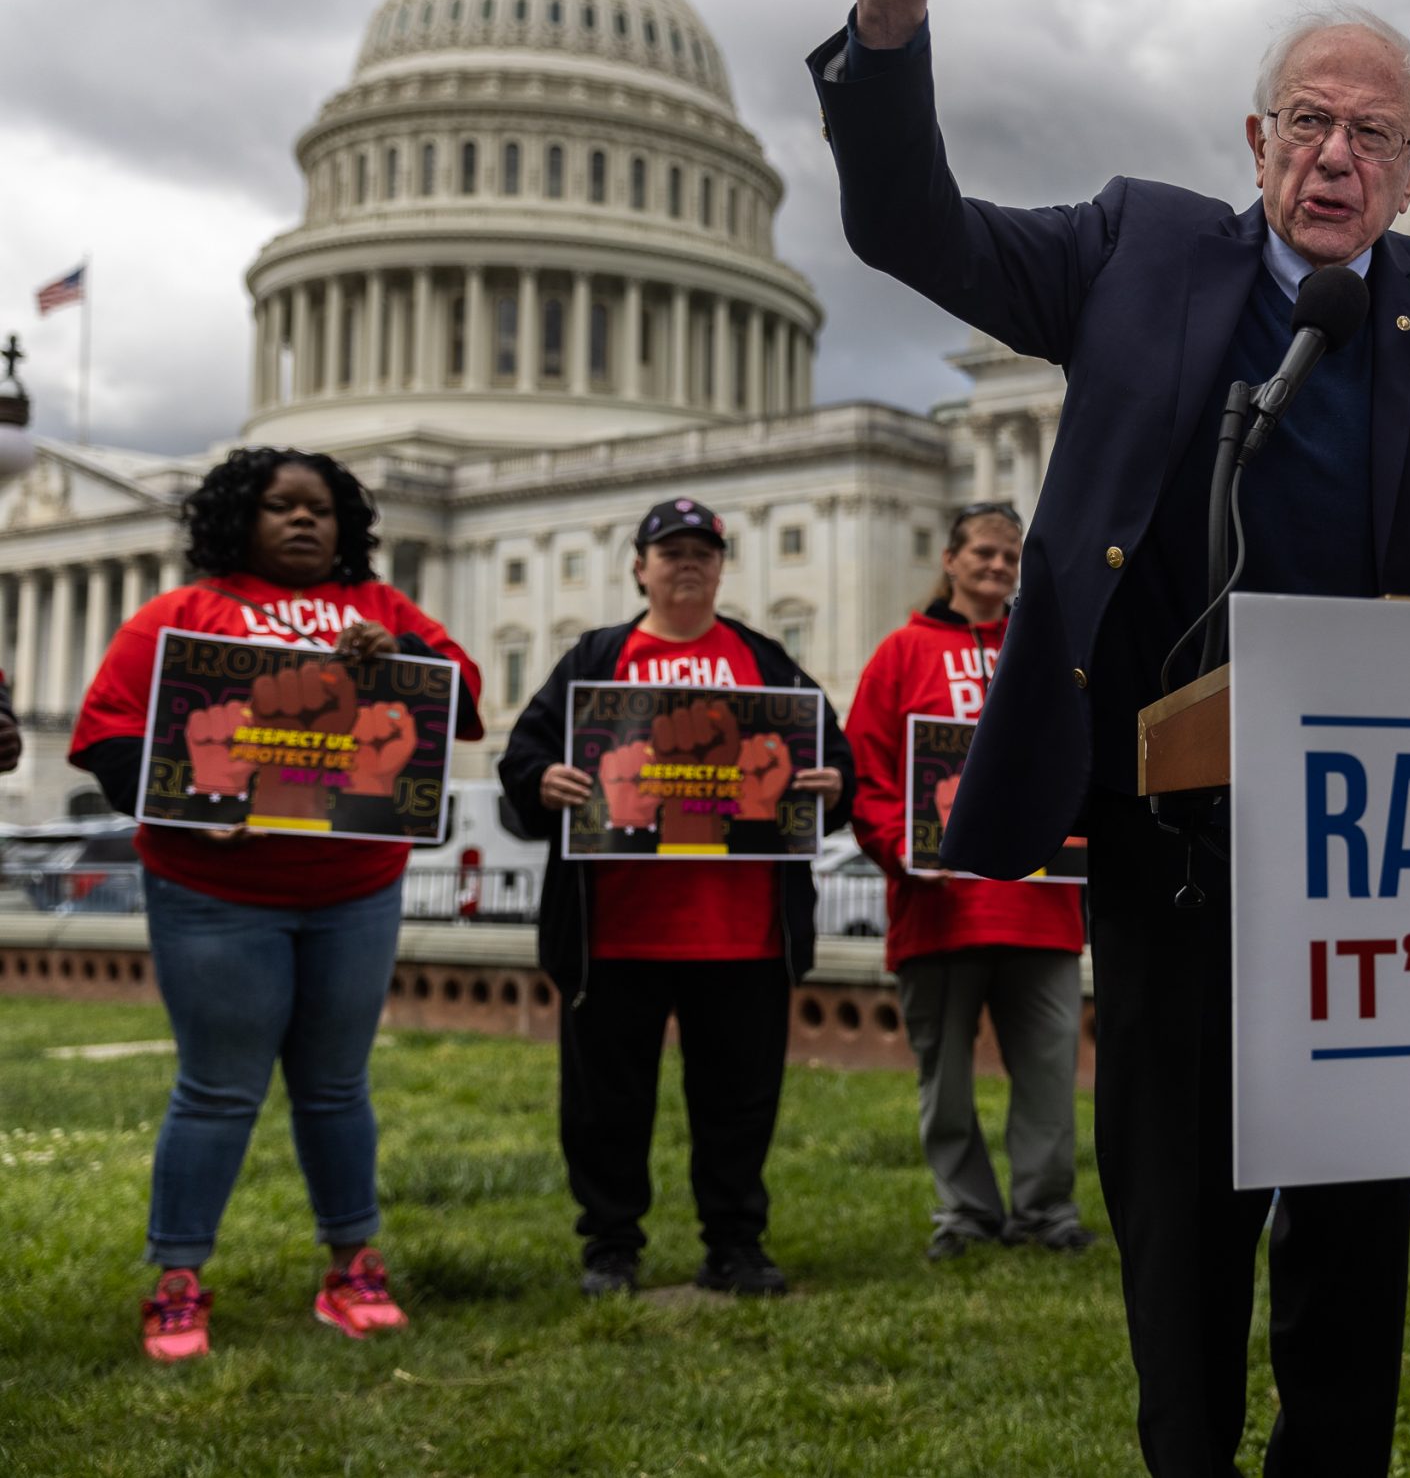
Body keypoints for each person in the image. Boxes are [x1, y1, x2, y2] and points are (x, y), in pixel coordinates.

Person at [812, 0, 1410, 1476]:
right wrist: (891, 16)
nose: (1333, 155)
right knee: (1177, 1219)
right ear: (1255, 139)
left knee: (1351, 1233)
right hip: (1173, 844)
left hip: (1369, 852)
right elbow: (917, 232)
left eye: (1371, 134)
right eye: (1307, 122)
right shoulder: (1135, 248)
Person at [66, 447, 484, 1362]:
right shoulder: (183, 614)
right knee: (216, 1090)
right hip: (217, 893)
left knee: (338, 1088)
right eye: (279, 506)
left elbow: (459, 701)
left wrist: (403, 654)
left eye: (322, 509)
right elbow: (106, 736)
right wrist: (179, 799)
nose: (304, 521)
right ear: (236, 518)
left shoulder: (384, 611)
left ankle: (354, 1265)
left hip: (353, 891)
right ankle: (178, 1279)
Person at [498, 498, 854, 1299]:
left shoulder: (765, 661)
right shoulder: (595, 658)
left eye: (703, 551)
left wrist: (834, 786)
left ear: (722, 567)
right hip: (616, 930)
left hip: (743, 932)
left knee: (739, 1104)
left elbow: (831, 762)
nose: (687, 563)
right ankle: (611, 1247)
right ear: (640, 565)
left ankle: (735, 1244)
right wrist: (541, 781)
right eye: (671, 551)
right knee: (604, 1108)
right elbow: (523, 763)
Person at [845, 501, 1093, 1261]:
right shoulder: (900, 654)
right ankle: (965, 1213)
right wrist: (906, 851)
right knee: (944, 1081)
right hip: (939, 909)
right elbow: (867, 773)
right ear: (950, 560)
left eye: (1010, 558)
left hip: (1042, 908)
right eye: (983, 552)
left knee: (1051, 1077)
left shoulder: (1052, 652)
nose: (996, 566)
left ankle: (1046, 1209)